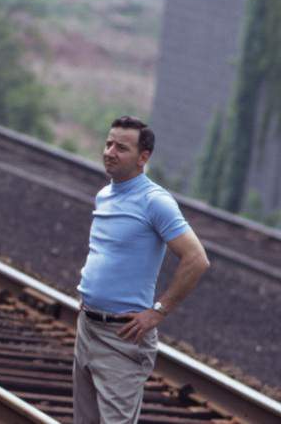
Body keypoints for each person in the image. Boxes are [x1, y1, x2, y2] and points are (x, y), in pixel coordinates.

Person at [73, 116, 210, 424]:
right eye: (108, 143)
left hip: (123, 335)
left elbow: (196, 259)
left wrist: (158, 312)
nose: (109, 151)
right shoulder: (105, 194)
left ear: (143, 157)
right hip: (88, 326)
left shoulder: (155, 202)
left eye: (121, 148)